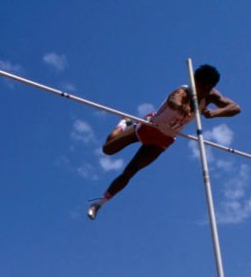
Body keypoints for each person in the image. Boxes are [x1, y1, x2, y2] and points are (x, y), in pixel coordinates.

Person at [88, 64, 240, 219]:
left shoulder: (211, 96)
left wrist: (215, 113)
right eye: (202, 86)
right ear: (195, 81)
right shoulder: (182, 91)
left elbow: (235, 108)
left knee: (130, 171)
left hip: (164, 139)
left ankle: (100, 203)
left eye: (209, 88)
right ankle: (123, 123)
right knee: (107, 150)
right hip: (148, 127)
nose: (204, 90)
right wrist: (180, 107)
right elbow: (174, 100)